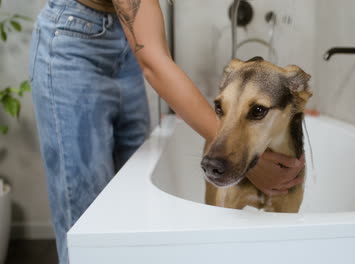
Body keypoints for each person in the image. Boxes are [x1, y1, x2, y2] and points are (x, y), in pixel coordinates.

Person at [29, 0, 305, 263]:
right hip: (74, 38)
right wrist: (240, 161)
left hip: (126, 44)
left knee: (135, 207)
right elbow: (155, 65)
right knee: (88, 219)